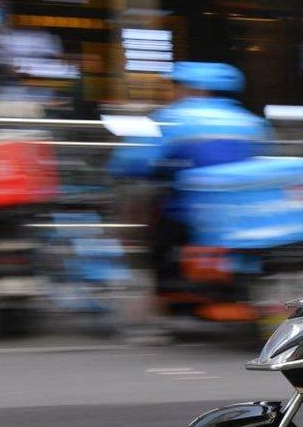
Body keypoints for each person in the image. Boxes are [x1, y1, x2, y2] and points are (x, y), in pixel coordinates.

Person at [108, 62, 271, 303]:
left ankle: (167, 298)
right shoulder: (254, 124)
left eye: (177, 86)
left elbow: (129, 162)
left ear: (195, 89)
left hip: (188, 219)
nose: (174, 93)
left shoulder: (171, 119)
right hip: (244, 221)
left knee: (156, 238)